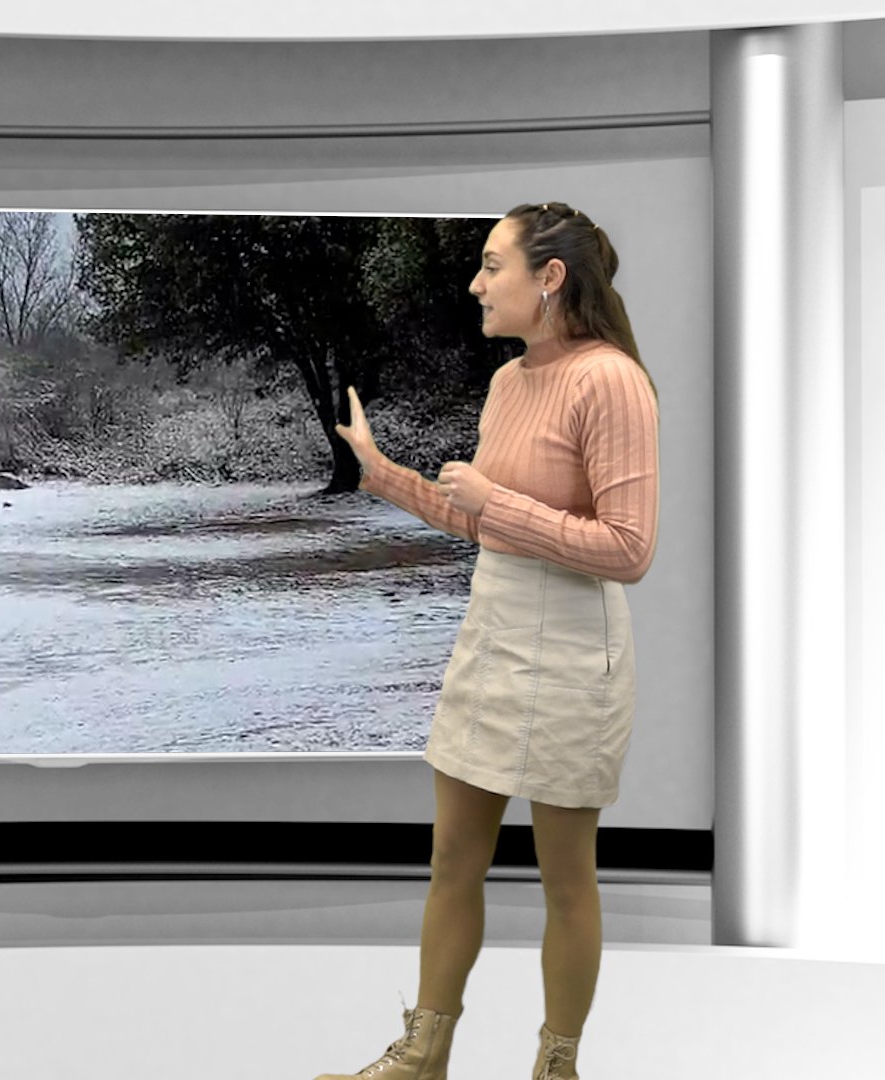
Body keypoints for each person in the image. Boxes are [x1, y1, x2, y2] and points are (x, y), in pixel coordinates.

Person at [317, 202, 661, 1080]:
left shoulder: (611, 380)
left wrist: (493, 503)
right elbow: (478, 521)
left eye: (490, 264)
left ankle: (556, 1069)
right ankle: (422, 1057)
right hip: (495, 628)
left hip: (576, 646)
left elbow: (630, 548)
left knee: (565, 876)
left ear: (550, 278)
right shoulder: (510, 382)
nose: (475, 283)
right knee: (451, 860)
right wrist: (381, 471)